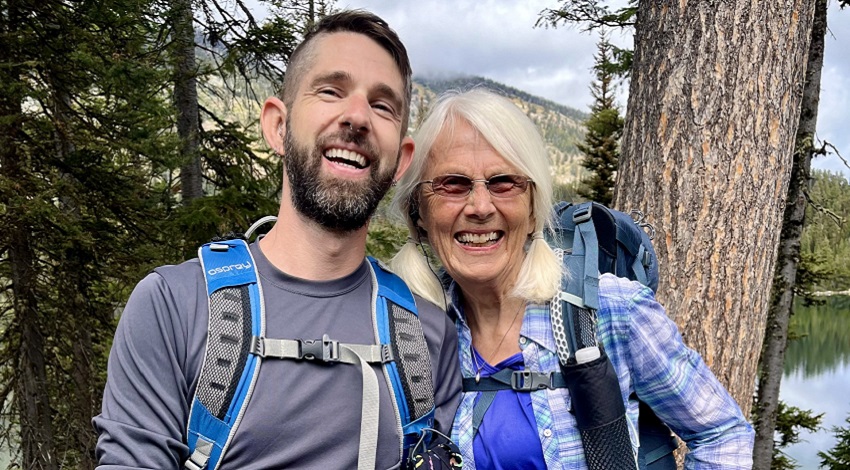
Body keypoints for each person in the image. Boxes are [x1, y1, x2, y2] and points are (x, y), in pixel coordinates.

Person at [93, 11, 461, 469]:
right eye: (330, 90)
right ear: (277, 126)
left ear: (402, 160)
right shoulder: (175, 306)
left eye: (383, 105)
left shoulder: (430, 337)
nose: (357, 117)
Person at [390, 88, 755, 469]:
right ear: (419, 214)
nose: (480, 207)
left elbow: (722, 433)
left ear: (533, 210)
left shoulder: (608, 309)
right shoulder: (412, 332)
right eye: (453, 184)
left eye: (503, 182)